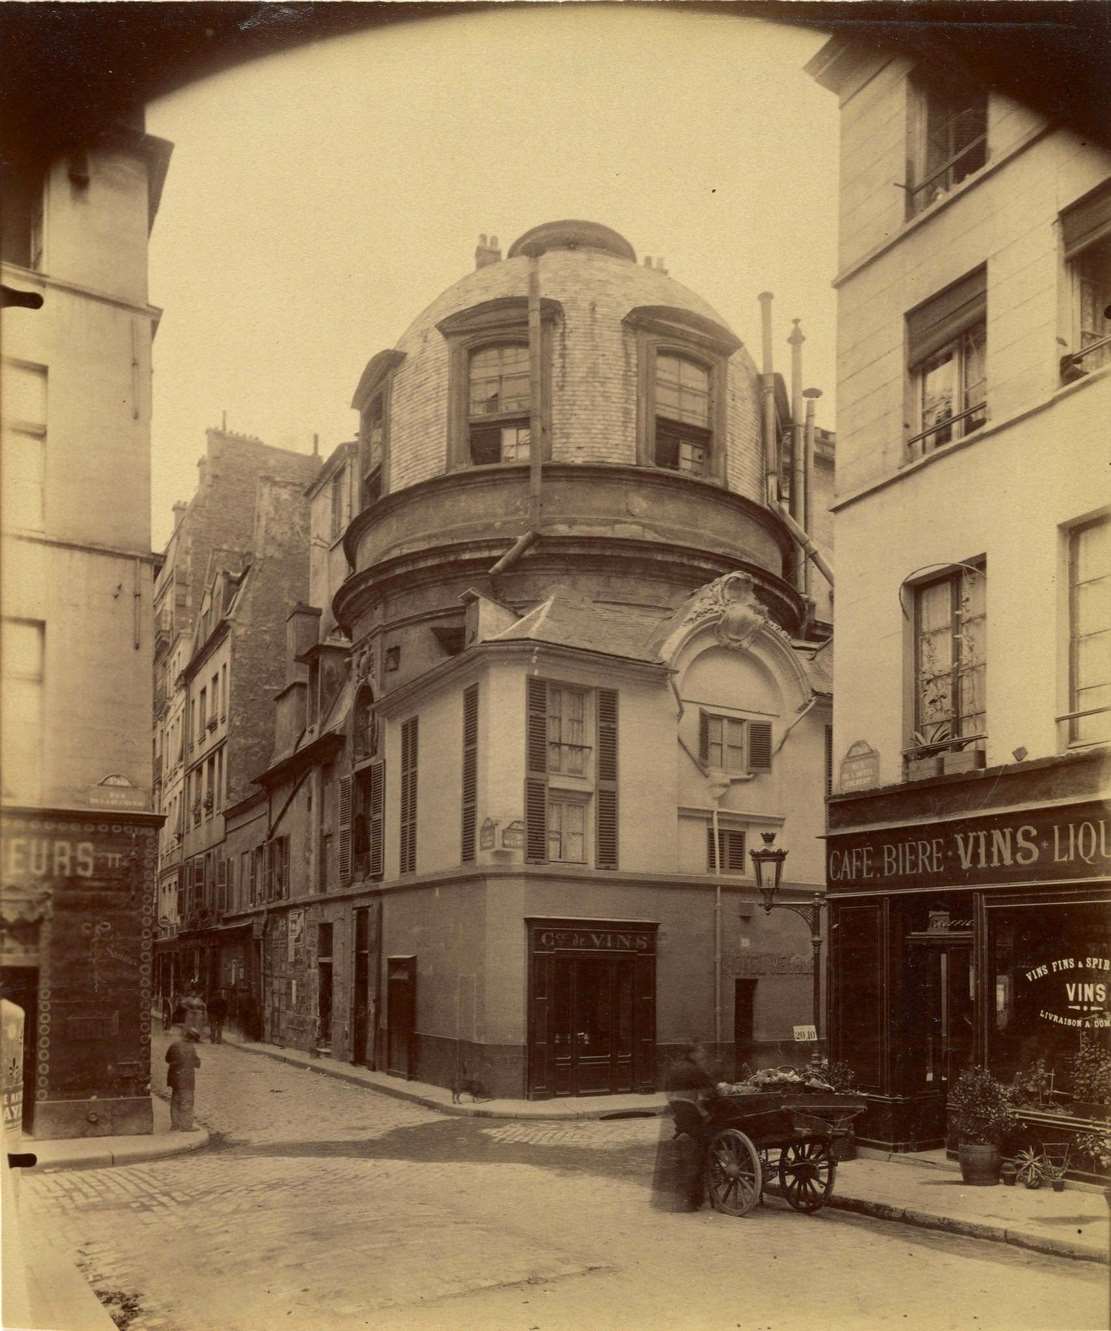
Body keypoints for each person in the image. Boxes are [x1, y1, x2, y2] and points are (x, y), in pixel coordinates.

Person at [651, 1041, 719, 1212]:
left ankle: (686, 1197)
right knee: (703, 1148)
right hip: (694, 1117)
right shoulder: (695, 1070)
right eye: (700, 1052)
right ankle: (694, 1197)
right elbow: (712, 1092)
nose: (703, 1055)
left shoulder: (675, 1068)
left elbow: (668, 1092)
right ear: (692, 1053)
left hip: (682, 1116)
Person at [165, 1028, 201, 1130]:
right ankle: (186, 1126)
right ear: (192, 1039)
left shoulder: (174, 1044)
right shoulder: (190, 1048)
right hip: (186, 1078)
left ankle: (175, 1124)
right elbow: (196, 1063)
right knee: (187, 1100)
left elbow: (167, 1059)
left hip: (174, 1078)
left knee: (175, 1099)